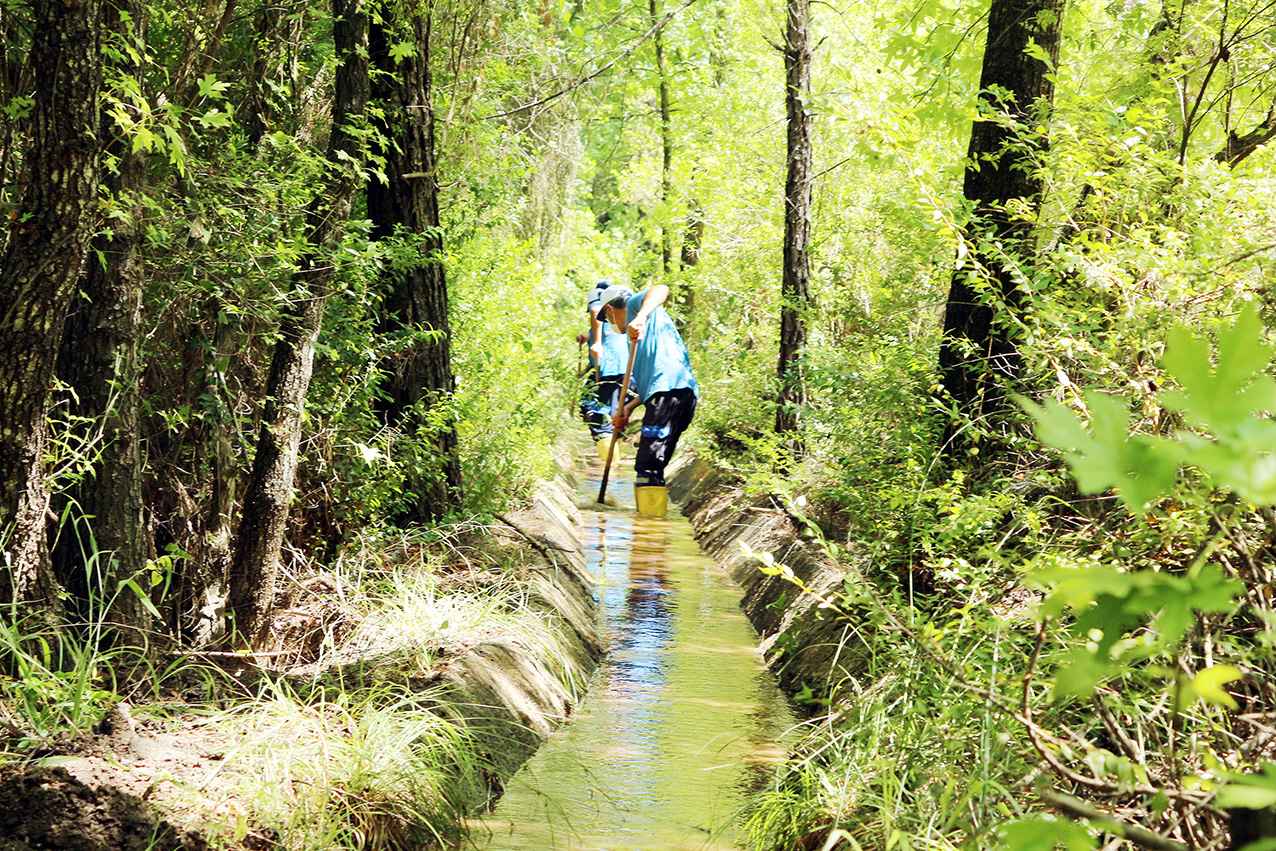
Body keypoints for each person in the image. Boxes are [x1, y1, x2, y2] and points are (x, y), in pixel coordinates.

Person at [597, 283, 698, 518]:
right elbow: (653, 383)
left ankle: (650, 537)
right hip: (673, 394)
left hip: (671, 393)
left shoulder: (637, 307)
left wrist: (640, 316)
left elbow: (661, 289)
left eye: (607, 316)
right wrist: (629, 408)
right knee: (651, 465)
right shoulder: (637, 339)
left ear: (611, 310)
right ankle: (651, 528)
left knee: (648, 466)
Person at [580, 282, 629, 462]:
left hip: (611, 371)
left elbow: (595, 311)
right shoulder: (614, 320)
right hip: (615, 370)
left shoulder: (598, 304)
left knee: (599, 414)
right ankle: (611, 457)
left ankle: (611, 465)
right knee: (598, 410)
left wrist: (597, 342)